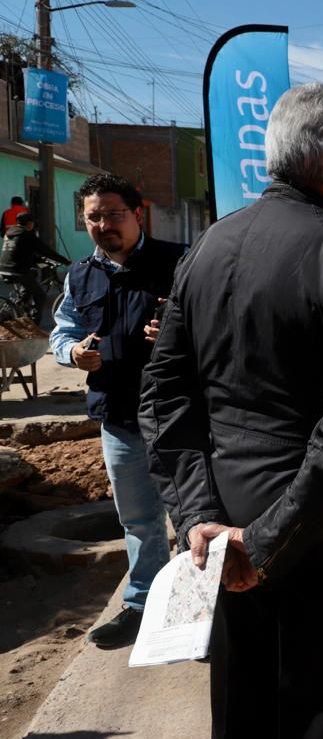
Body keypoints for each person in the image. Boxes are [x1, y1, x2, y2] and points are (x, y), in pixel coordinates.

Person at [138, 83, 323, 739]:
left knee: (242, 723)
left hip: (225, 536)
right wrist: (261, 543)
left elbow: (164, 397)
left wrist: (203, 517)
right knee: (321, 735)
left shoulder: (206, 248)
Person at [48, 174, 185, 650]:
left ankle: (195, 614)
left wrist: (177, 333)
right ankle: (144, 604)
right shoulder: (80, 273)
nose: (104, 224)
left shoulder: (180, 261)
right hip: (119, 418)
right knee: (139, 520)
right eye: (94, 216)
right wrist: (73, 353)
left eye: (114, 214)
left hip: (181, 414)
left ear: (137, 214)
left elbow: (220, 323)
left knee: (193, 519)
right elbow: (61, 332)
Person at [0, 211, 69, 326]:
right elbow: (45, 250)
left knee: (31, 278)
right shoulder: (27, 234)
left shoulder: (10, 232)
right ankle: (34, 324)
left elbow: (23, 252)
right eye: (32, 223)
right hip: (17, 271)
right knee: (40, 296)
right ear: (29, 223)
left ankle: (23, 309)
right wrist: (64, 261)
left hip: (4, 269)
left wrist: (39, 260)